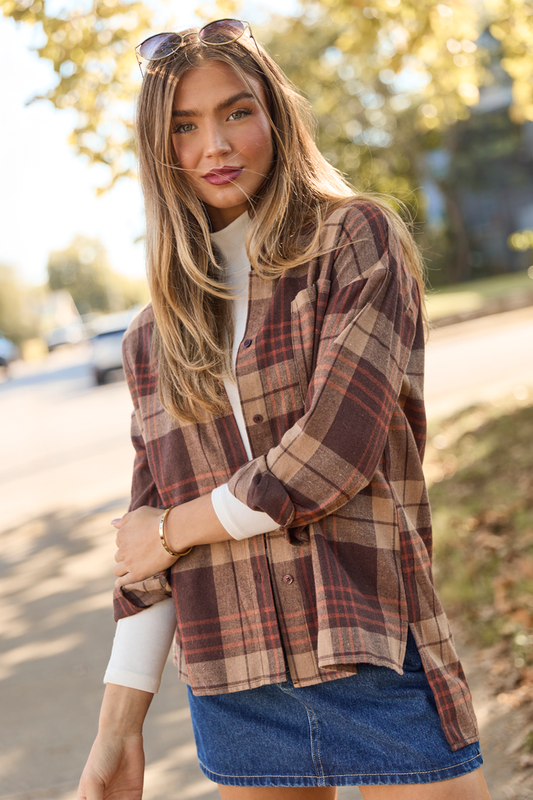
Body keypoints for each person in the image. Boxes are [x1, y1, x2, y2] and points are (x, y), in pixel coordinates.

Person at [77, 19, 491, 800]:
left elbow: (332, 454)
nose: (214, 146)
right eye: (185, 126)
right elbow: (142, 563)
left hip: (370, 647)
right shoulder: (147, 337)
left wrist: (175, 528)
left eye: (236, 112)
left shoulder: (351, 241)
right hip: (235, 685)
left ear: (275, 115)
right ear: (159, 150)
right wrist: (116, 732)